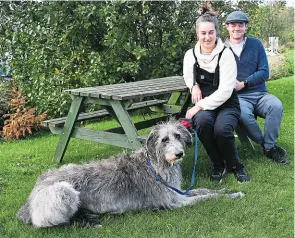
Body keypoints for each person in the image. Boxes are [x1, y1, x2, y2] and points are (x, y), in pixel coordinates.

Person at [183, 7, 250, 183]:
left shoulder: (226, 54)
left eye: (211, 32)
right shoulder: (190, 55)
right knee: (203, 124)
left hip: (227, 103)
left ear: (216, 32)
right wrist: (194, 86)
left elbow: (226, 90)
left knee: (222, 130)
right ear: (197, 33)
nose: (207, 37)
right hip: (205, 102)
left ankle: (235, 165)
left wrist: (197, 106)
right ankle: (218, 164)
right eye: (203, 33)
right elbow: (188, 75)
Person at [225, 10, 289, 165]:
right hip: (238, 97)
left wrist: (244, 83)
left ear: (245, 26)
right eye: (233, 24)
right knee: (244, 116)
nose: (237, 28)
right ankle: (266, 145)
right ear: (227, 27)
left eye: (240, 24)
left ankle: (269, 147)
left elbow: (264, 72)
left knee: (276, 105)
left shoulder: (256, 44)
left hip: (259, 93)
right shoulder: (221, 48)